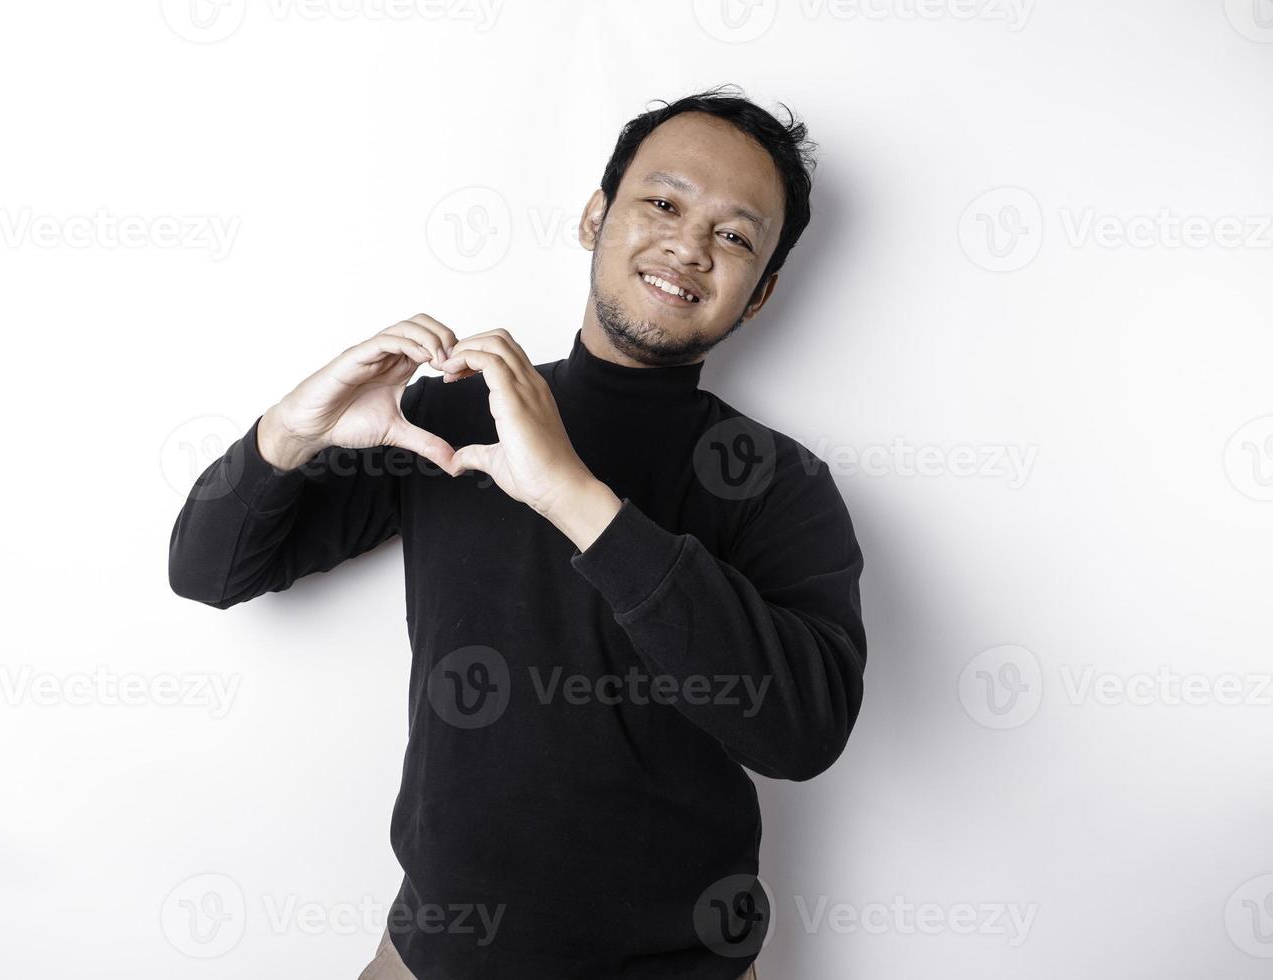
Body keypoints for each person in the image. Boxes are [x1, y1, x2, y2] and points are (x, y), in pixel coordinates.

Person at [168, 84, 867, 980]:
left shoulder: (777, 481)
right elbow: (207, 570)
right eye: (663, 202)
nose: (689, 245)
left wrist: (574, 495)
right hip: (435, 957)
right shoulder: (457, 410)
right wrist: (287, 434)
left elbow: (802, 735)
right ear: (594, 216)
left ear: (761, 294)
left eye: (735, 236)